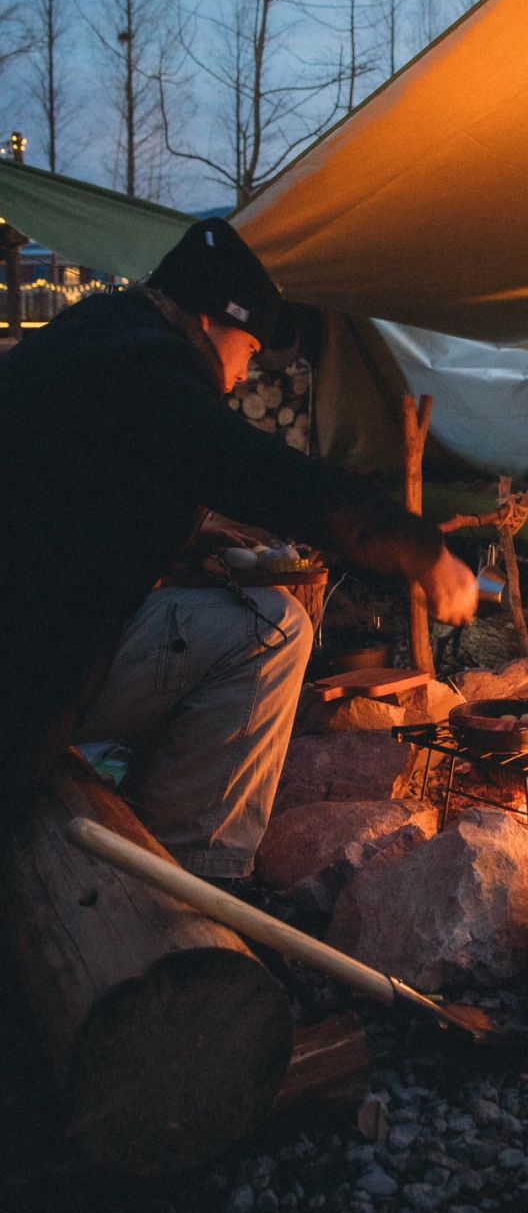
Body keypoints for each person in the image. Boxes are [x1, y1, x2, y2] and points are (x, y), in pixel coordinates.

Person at [0, 218, 477, 876]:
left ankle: (149, 824)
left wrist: (181, 542)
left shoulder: (96, 333)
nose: (243, 375)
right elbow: (271, 476)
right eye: (250, 351)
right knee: (273, 630)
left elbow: (70, 501)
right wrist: (422, 552)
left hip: (29, 640)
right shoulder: (151, 367)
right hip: (26, 687)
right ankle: (190, 875)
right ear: (210, 321)